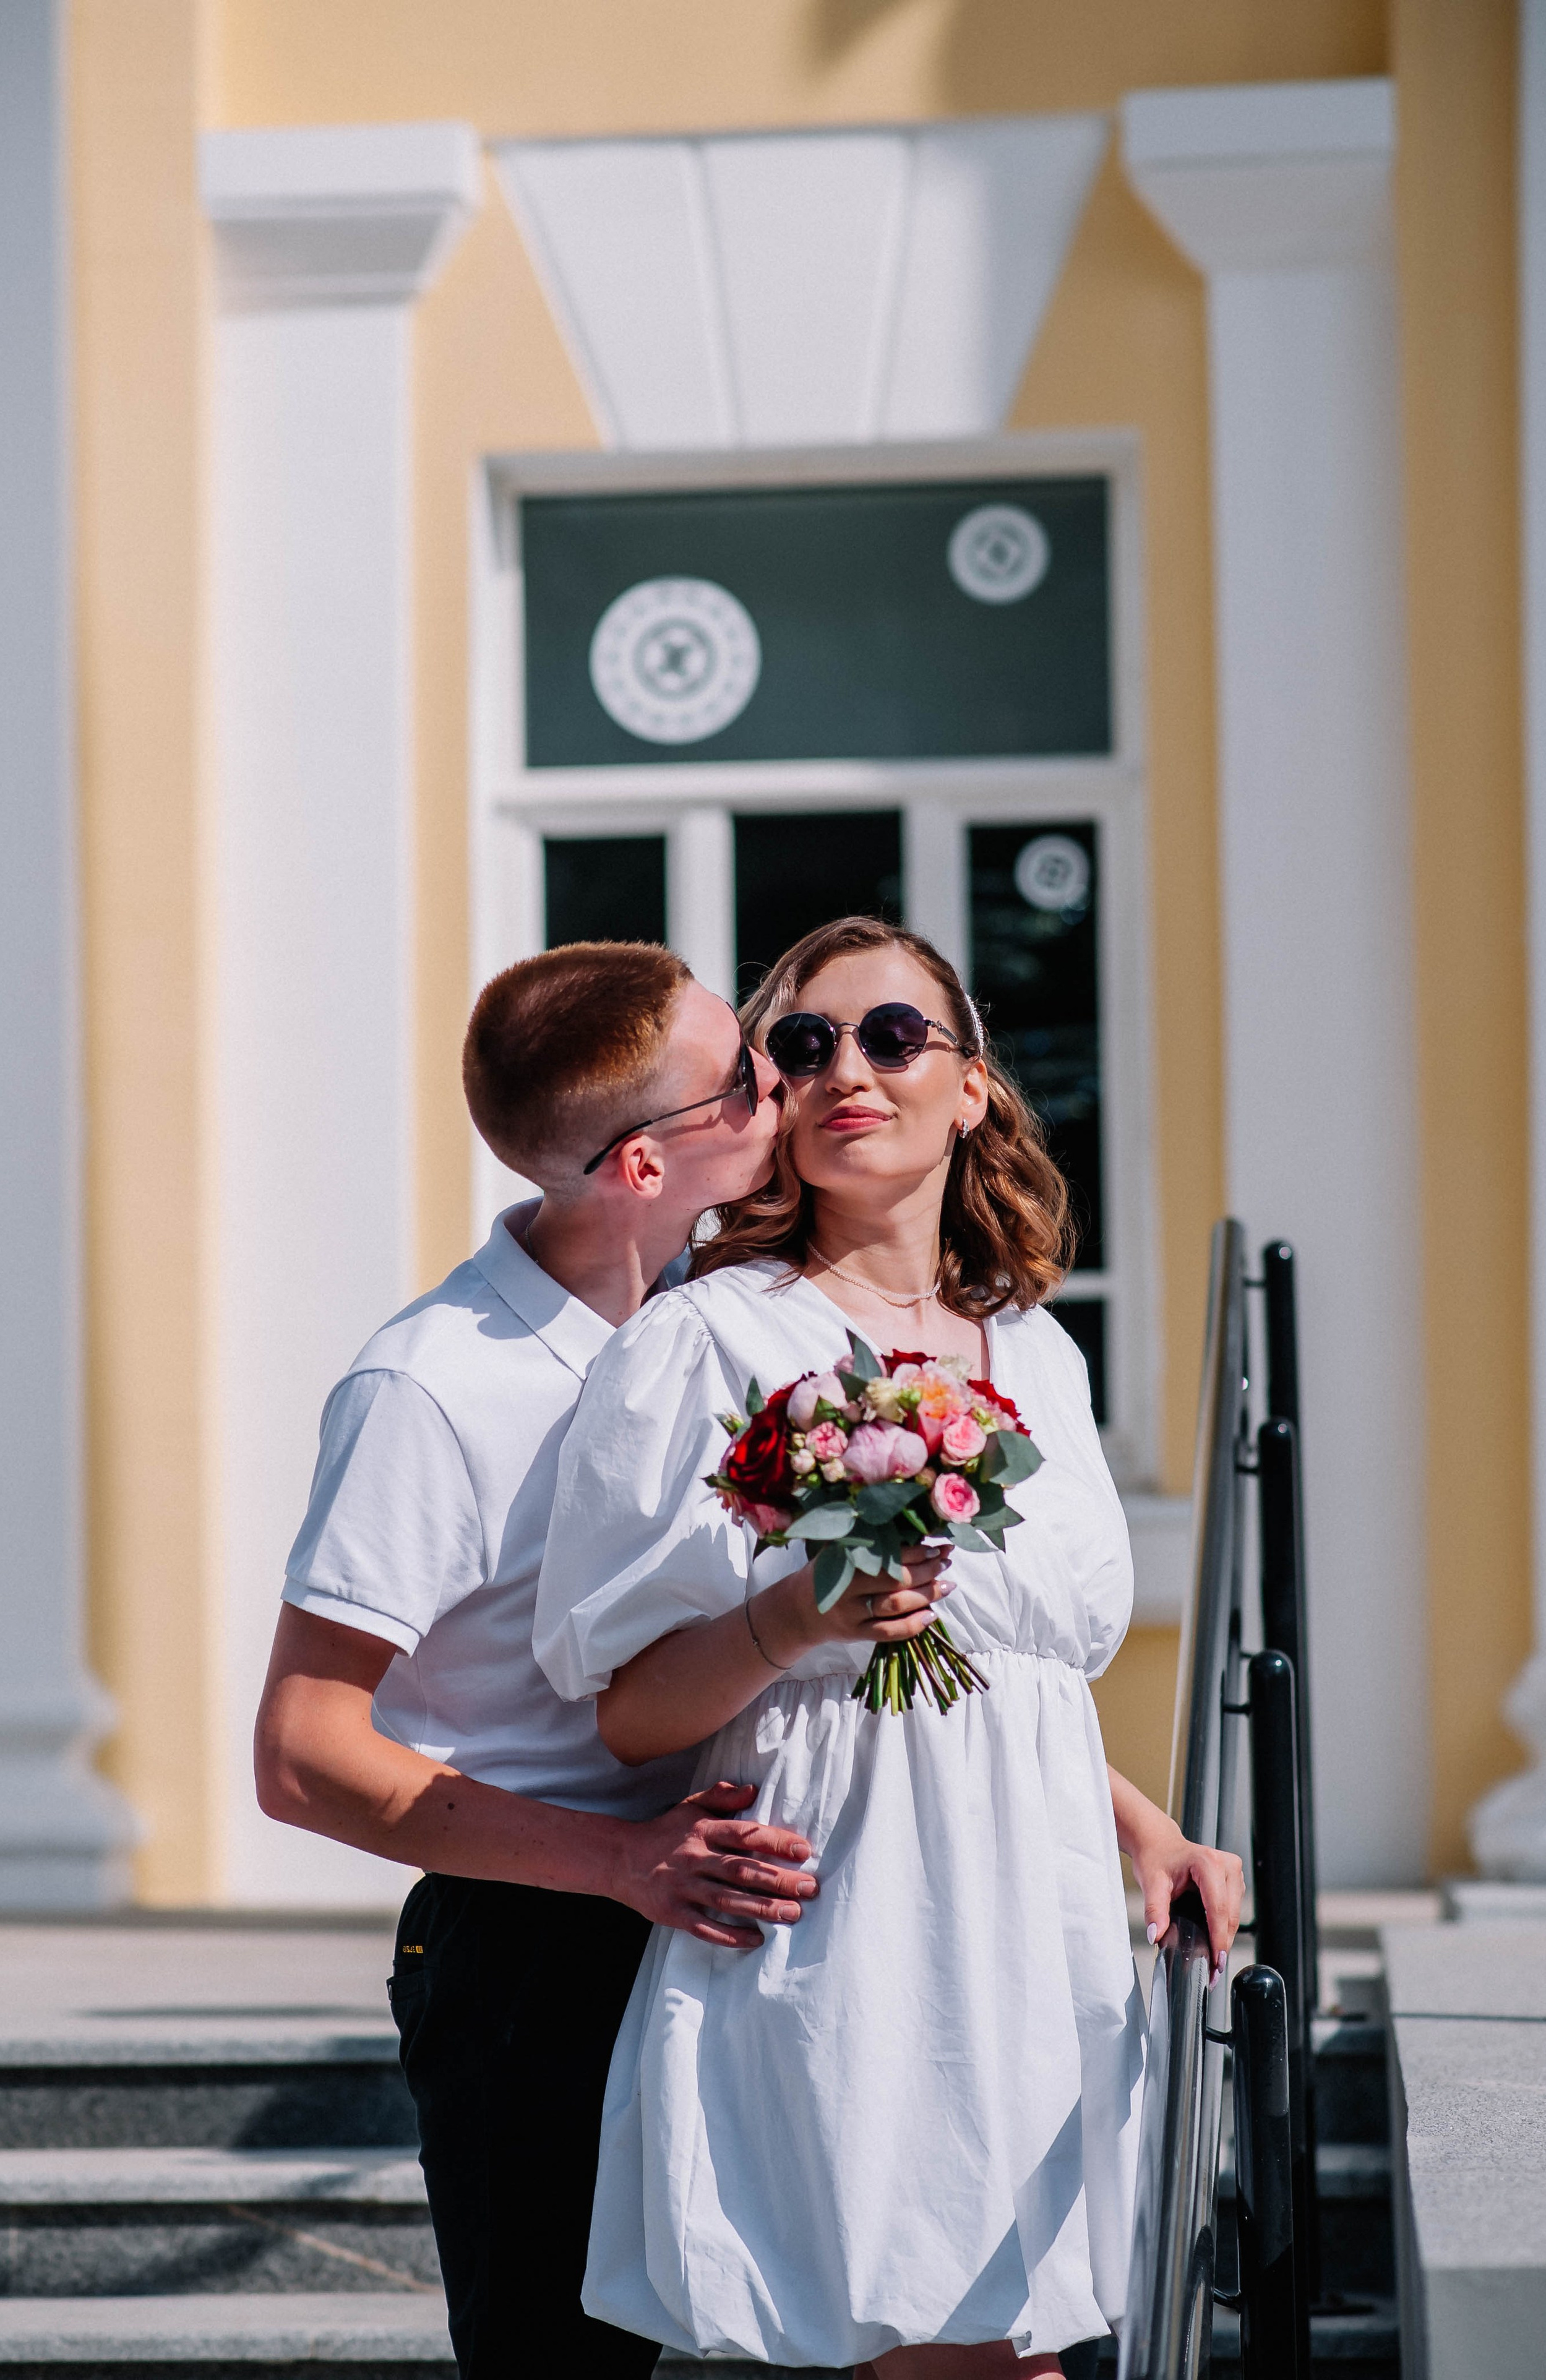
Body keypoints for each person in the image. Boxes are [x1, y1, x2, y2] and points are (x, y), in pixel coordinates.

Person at [534, 917, 1245, 2379]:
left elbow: (1004, 1670)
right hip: (857, 1900)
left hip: (1031, 1911)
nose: (844, 1068)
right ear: (770, 1100)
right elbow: (627, 1712)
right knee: (951, 2346)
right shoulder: (708, 1343)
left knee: (1015, 2344)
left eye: (889, 1035)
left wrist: (1145, 1833)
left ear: (971, 1086)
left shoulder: (1035, 1346)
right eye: (799, 1045)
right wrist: (792, 1615)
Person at [253, 940, 820, 2380]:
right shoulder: (427, 1388)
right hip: (536, 1946)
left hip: (744, 1903)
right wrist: (619, 1865)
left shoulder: (741, 1319)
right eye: (750, 1074)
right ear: (642, 1165)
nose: (787, 1082)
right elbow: (304, 1749)